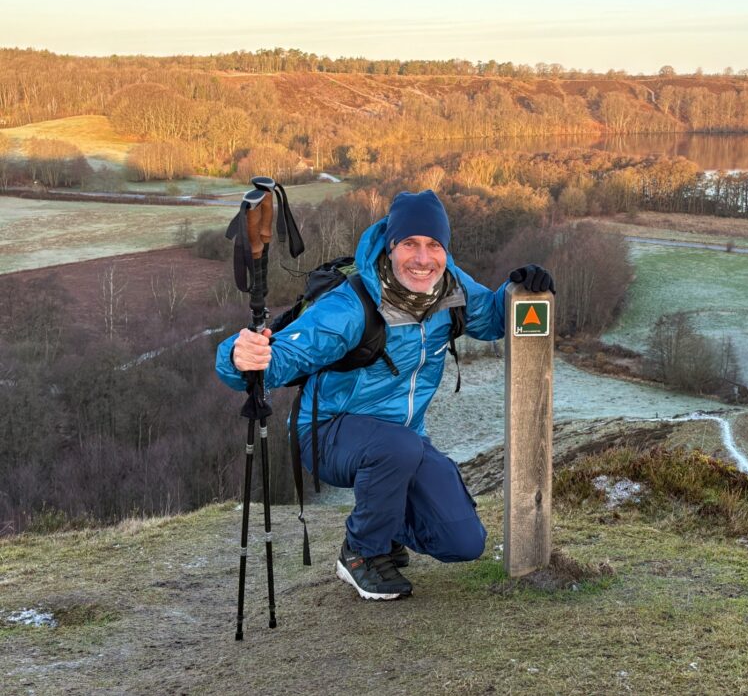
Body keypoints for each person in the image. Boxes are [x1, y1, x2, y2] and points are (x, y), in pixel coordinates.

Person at [215, 190, 554, 600]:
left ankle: (386, 525)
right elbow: (281, 358)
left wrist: (520, 290)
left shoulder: (451, 289)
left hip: (403, 441)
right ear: (390, 247)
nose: (422, 258)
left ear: (446, 250)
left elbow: (494, 319)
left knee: (464, 541)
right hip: (326, 434)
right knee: (397, 448)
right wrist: (240, 357)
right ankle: (360, 553)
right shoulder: (352, 305)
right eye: (409, 243)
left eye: (433, 245)